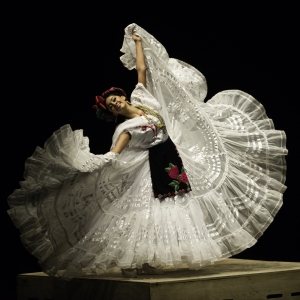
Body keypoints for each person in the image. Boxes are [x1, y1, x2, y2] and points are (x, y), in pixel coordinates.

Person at [7, 24, 287, 279]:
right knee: (145, 212)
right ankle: (136, 261)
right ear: (111, 112)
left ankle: (148, 259)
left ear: (122, 95)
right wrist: (90, 163)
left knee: (175, 205)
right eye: (110, 105)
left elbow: (141, 69)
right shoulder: (125, 129)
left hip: (169, 157)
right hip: (146, 169)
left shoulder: (142, 97)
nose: (115, 102)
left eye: (114, 98)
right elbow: (115, 154)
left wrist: (138, 42)